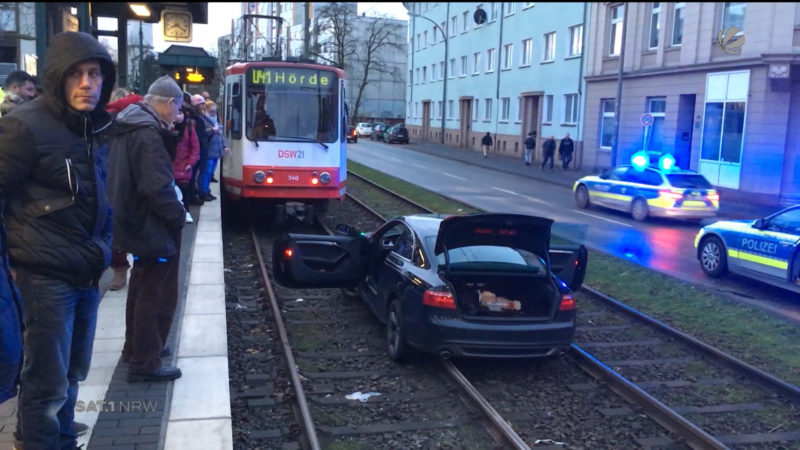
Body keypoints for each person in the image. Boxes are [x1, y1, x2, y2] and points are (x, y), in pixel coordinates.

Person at [0, 31, 115, 450]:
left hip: (84, 270)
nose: (87, 83)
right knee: (46, 381)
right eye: (76, 75)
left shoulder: (94, 127)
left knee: (72, 373)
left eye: (95, 74)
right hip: (43, 274)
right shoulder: (23, 127)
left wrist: (107, 242)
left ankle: (62, 441)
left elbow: (96, 194)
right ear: (58, 79)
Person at [108, 75, 186, 383]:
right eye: (177, 108)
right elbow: (156, 186)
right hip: (149, 224)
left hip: (131, 218)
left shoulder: (129, 124)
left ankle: (136, 348)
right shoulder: (148, 133)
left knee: (140, 286)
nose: (177, 114)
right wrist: (178, 216)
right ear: (169, 103)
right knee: (154, 292)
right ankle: (145, 362)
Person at [106, 87, 144, 291]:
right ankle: (134, 270)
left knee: (115, 231)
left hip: (114, 180)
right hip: (133, 181)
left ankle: (120, 272)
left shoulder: (105, 122)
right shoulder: (143, 122)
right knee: (136, 229)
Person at [197, 100, 230, 201]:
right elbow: (200, 134)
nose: (213, 114)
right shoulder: (203, 120)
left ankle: (206, 190)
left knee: (209, 172)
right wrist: (212, 130)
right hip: (208, 151)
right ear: (205, 110)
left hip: (216, 151)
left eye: (215, 112)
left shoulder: (214, 120)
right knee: (206, 172)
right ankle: (203, 191)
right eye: (211, 111)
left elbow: (220, 135)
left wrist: (225, 146)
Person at [172, 104, 200, 222]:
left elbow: (195, 147)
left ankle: (185, 211)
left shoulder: (189, 129)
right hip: (170, 164)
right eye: (176, 113)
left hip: (184, 165)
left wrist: (191, 162)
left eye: (180, 113)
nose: (178, 116)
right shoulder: (168, 127)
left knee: (184, 189)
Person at [189, 94, 210, 203]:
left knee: (195, 173)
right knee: (193, 174)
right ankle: (193, 196)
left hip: (200, 148)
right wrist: (209, 132)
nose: (203, 106)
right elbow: (197, 134)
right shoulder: (195, 118)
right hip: (198, 149)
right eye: (201, 104)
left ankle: (194, 194)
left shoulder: (199, 116)